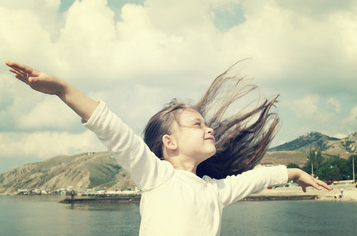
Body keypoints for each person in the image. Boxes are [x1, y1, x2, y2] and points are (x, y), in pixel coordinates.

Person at [5, 61, 331, 236]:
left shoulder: (215, 190)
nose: (209, 128)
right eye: (197, 124)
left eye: (206, 124)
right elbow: (113, 129)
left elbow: (257, 178)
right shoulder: (157, 175)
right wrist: (64, 89)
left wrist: (295, 172)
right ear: (169, 143)